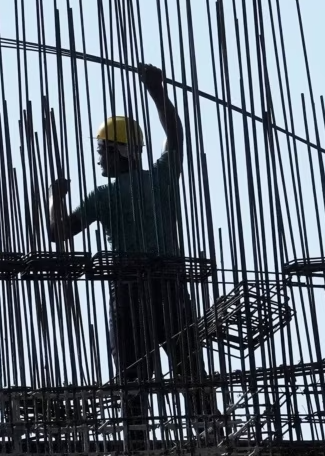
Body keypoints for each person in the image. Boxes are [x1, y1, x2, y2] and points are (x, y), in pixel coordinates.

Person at [47, 63, 220, 445]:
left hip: (129, 294)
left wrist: (55, 197)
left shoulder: (105, 197)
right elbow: (176, 135)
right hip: (172, 288)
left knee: (133, 377)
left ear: (119, 152)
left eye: (102, 151)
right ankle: (208, 428)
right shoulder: (162, 177)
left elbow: (58, 233)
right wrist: (157, 90)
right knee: (189, 368)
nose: (98, 159)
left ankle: (137, 441)